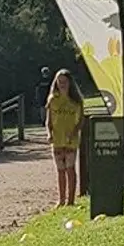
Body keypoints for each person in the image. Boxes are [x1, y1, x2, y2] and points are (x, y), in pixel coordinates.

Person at [47, 69, 85, 207]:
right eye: (59, 81)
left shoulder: (76, 102)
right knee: (60, 170)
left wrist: (74, 132)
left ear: (70, 83)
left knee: (70, 169)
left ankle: (71, 200)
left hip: (71, 140)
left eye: (64, 81)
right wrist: (49, 134)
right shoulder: (52, 100)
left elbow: (81, 120)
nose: (62, 84)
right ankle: (61, 199)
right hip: (57, 139)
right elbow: (49, 121)